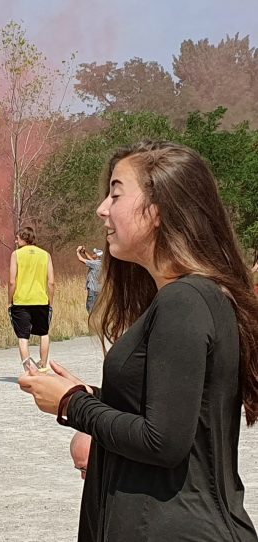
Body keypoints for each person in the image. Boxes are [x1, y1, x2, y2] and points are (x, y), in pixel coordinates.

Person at [18, 141, 258, 541]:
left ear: (159, 210)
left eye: (115, 193)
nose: (102, 209)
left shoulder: (186, 300)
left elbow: (162, 440)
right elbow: (169, 412)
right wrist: (85, 393)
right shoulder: (192, 297)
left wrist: (71, 404)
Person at [8, 227, 55, 369]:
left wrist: (9, 301)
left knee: (23, 337)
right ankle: (43, 365)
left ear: (23, 238)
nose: (16, 241)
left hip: (21, 300)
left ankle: (28, 368)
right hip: (41, 299)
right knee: (44, 333)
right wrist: (50, 301)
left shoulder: (16, 254)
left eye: (17, 238)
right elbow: (51, 282)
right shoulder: (45, 255)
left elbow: (12, 281)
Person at [75, 246, 103, 313]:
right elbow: (91, 259)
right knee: (96, 308)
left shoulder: (95, 263)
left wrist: (77, 251)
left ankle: (92, 321)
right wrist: (84, 252)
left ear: (97, 256)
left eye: (94, 253)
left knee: (90, 308)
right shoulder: (99, 263)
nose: (93, 254)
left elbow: (81, 259)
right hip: (98, 289)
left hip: (93, 290)